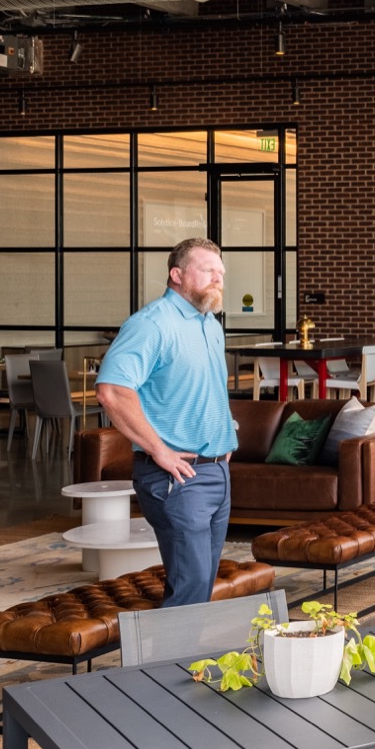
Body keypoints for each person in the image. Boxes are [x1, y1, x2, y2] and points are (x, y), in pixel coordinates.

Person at [95, 237, 237, 607]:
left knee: (201, 583)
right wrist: (159, 450)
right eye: (207, 270)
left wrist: (225, 433)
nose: (218, 278)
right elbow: (112, 391)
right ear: (177, 274)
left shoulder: (210, 325)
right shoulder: (151, 324)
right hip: (178, 476)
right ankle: (165, 666)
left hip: (216, 471)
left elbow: (201, 389)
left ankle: (184, 663)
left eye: (220, 272)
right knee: (190, 588)